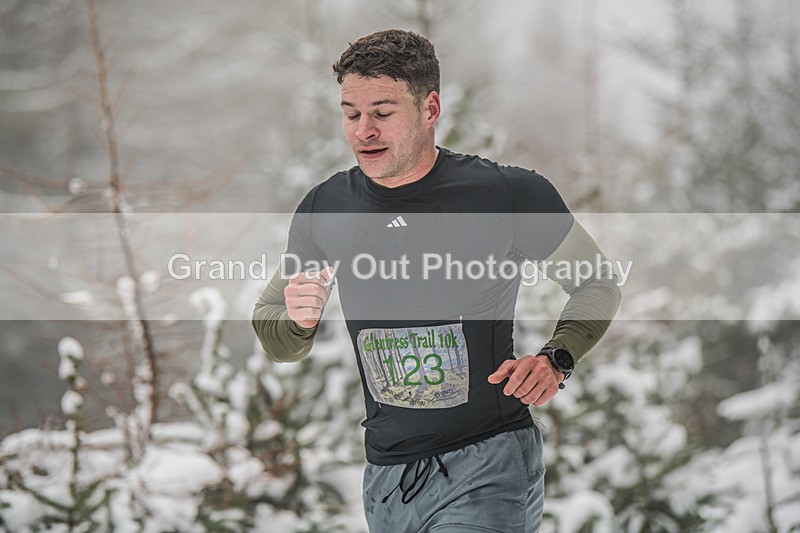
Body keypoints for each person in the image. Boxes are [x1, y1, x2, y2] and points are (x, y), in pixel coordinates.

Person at [253, 29, 621, 533]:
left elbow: (597, 281)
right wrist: (296, 321)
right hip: (387, 479)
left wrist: (559, 357)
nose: (363, 131)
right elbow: (274, 333)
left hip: (487, 463)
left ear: (430, 108)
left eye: (382, 113)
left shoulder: (503, 194)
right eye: (351, 113)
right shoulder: (326, 209)